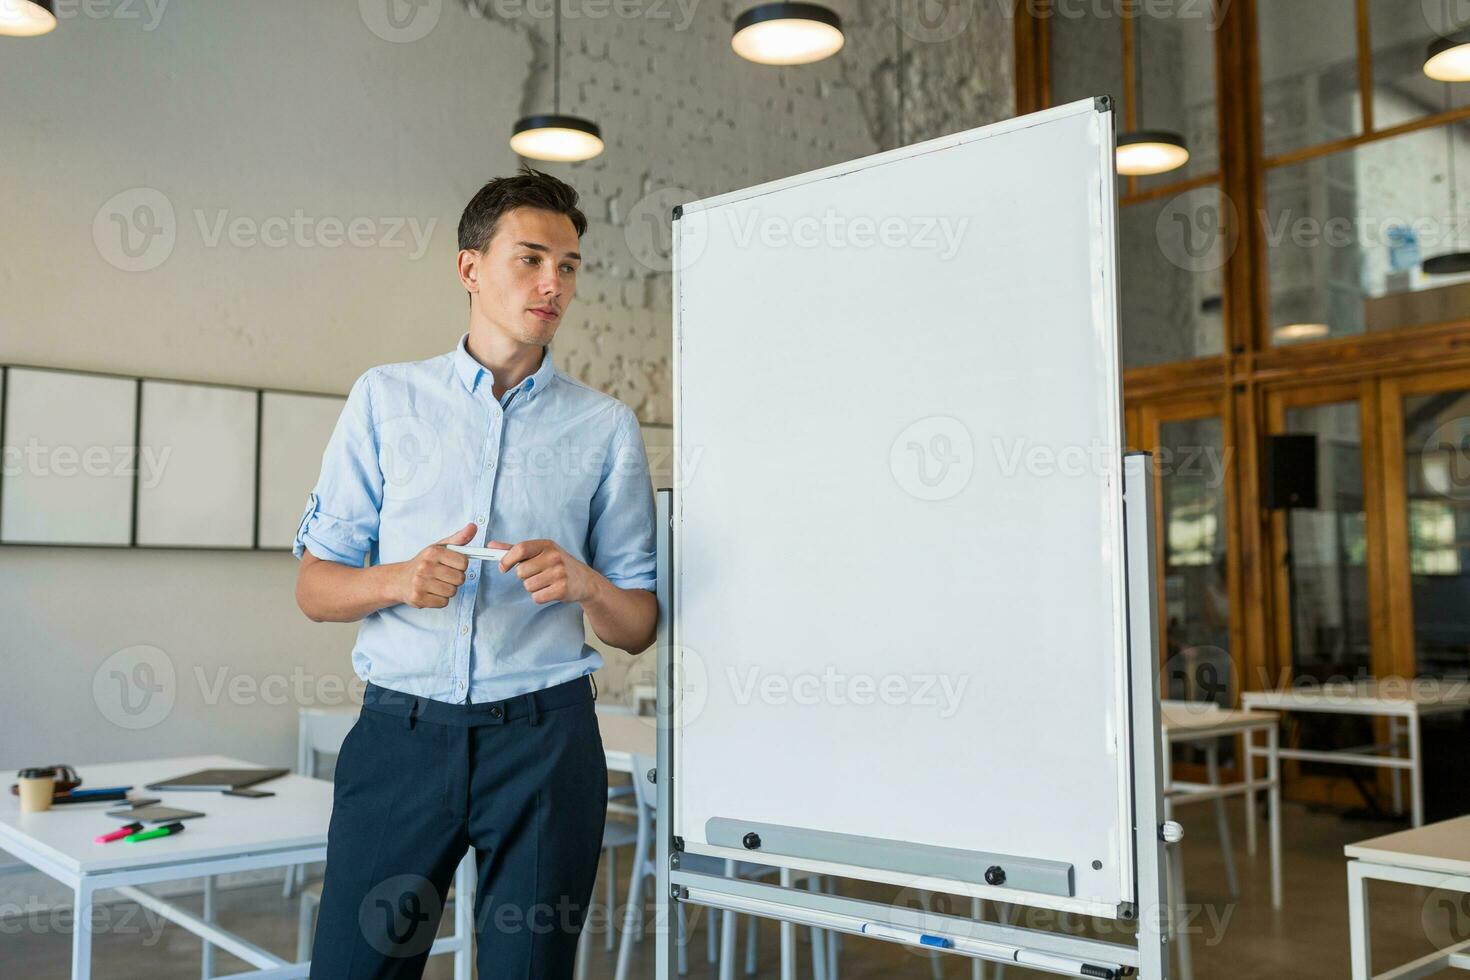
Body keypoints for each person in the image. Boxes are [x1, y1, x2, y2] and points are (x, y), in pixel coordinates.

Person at [293, 166, 658, 979]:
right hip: (401, 741)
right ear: (470, 268)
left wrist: (588, 583)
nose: (552, 283)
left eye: (567, 267)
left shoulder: (604, 429)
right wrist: (397, 581)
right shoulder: (386, 400)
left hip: (547, 746)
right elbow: (316, 588)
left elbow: (637, 625)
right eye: (530, 259)